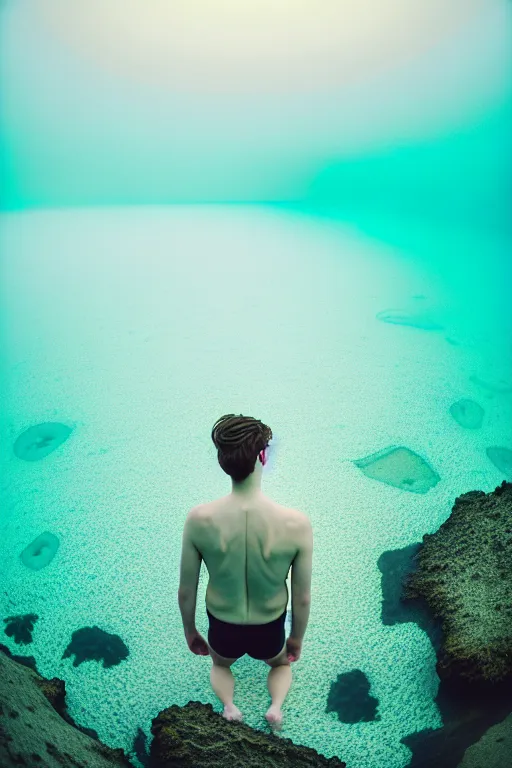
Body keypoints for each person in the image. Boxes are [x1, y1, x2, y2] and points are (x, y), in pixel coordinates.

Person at [178, 414, 313, 730]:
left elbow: (187, 590)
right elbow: (303, 597)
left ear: (223, 462)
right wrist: (295, 638)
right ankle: (275, 708)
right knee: (279, 664)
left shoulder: (199, 519)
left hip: (223, 623)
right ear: (263, 456)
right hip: (269, 624)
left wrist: (190, 631)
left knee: (220, 665)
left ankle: (229, 706)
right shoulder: (296, 523)